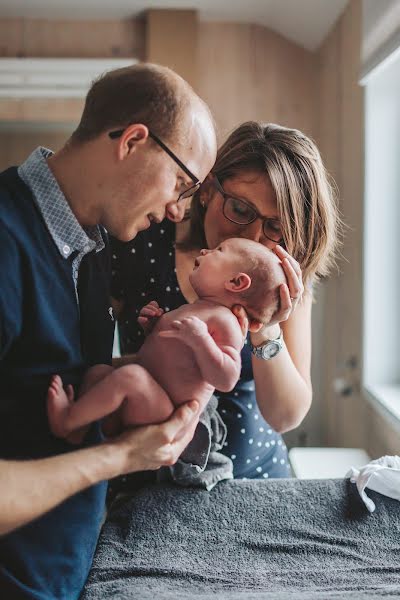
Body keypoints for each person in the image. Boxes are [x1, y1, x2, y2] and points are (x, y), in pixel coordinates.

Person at [0, 63, 217, 599]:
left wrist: (160, 384)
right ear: (134, 142)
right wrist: (127, 456)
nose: (175, 211)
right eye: (181, 184)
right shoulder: (6, 244)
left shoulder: (92, 251)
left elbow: (45, 381)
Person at [110, 121, 340, 485]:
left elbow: (285, 415)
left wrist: (267, 326)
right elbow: (89, 359)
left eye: (276, 227)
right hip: (149, 474)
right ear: (207, 191)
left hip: (255, 479)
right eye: (240, 209)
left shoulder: (283, 280)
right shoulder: (144, 240)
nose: (252, 236)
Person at [47, 239, 286, 440]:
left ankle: (68, 420)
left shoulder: (226, 322)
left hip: (165, 410)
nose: (205, 251)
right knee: (98, 372)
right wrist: (152, 327)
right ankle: (81, 428)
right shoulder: (195, 308)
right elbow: (166, 352)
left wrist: (200, 340)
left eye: (219, 251)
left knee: (130, 377)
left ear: (236, 282)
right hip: (145, 394)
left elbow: (226, 379)